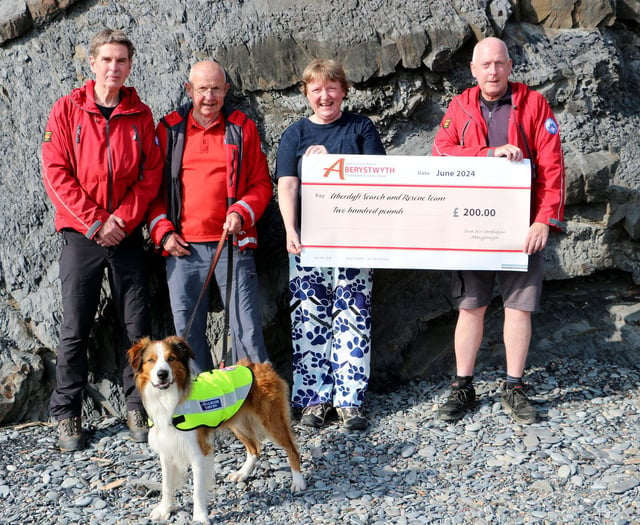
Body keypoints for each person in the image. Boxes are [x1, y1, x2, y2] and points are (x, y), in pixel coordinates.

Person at [432, 37, 565, 424]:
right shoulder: (460, 106)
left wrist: (544, 219)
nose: (492, 71)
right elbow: (440, 152)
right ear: (473, 70)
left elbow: (553, 166)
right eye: (485, 65)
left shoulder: (535, 104)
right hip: (471, 226)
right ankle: (463, 388)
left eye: (499, 64)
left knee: (518, 309)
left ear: (510, 66)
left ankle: (514, 386)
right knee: (470, 307)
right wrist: (488, 153)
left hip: (522, 227)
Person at [41, 29, 163, 451]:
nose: (114, 68)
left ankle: (137, 405)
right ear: (92, 63)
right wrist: (96, 223)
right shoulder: (66, 110)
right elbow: (55, 174)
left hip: (126, 235)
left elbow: (150, 176)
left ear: (130, 66)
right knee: (75, 328)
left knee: (137, 328)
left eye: (121, 61)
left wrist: (123, 220)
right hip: (81, 234)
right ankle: (67, 414)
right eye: (107, 60)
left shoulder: (140, 115)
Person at [274, 59, 386, 431]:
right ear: (306, 93)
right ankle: (315, 401)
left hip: (355, 240)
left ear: (344, 90)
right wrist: (291, 229)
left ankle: (350, 401)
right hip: (309, 241)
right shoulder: (295, 134)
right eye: (317, 89)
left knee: (354, 317)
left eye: (332, 88)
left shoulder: (361, 128)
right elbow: (287, 185)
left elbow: (381, 179)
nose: (325, 96)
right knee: (309, 319)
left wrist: (334, 163)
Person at [146, 60, 272, 372]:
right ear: (189, 90)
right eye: (202, 89)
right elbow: (150, 189)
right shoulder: (169, 129)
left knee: (248, 329)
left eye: (216, 88)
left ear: (226, 90)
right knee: (186, 339)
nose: (209, 96)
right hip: (181, 248)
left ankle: (259, 404)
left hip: (232, 244)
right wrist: (162, 231)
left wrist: (242, 212)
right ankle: (201, 405)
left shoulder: (242, 128)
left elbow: (261, 183)